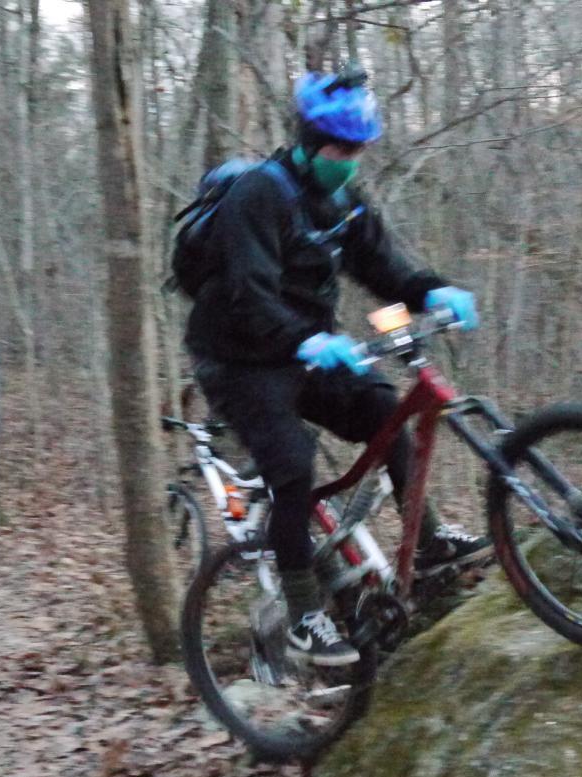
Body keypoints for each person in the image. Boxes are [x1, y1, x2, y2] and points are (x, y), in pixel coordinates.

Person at [185, 64, 490, 667]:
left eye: (359, 150)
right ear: (306, 142)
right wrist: (305, 340)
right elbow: (248, 293)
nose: (350, 160)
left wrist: (432, 292)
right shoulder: (260, 195)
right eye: (340, 148)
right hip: (238, 360)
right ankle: (303, 618)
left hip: (305, 349)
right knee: (291, 465)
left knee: (386, 413)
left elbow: (385, 267)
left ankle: (428, 545)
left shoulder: (344, 201)